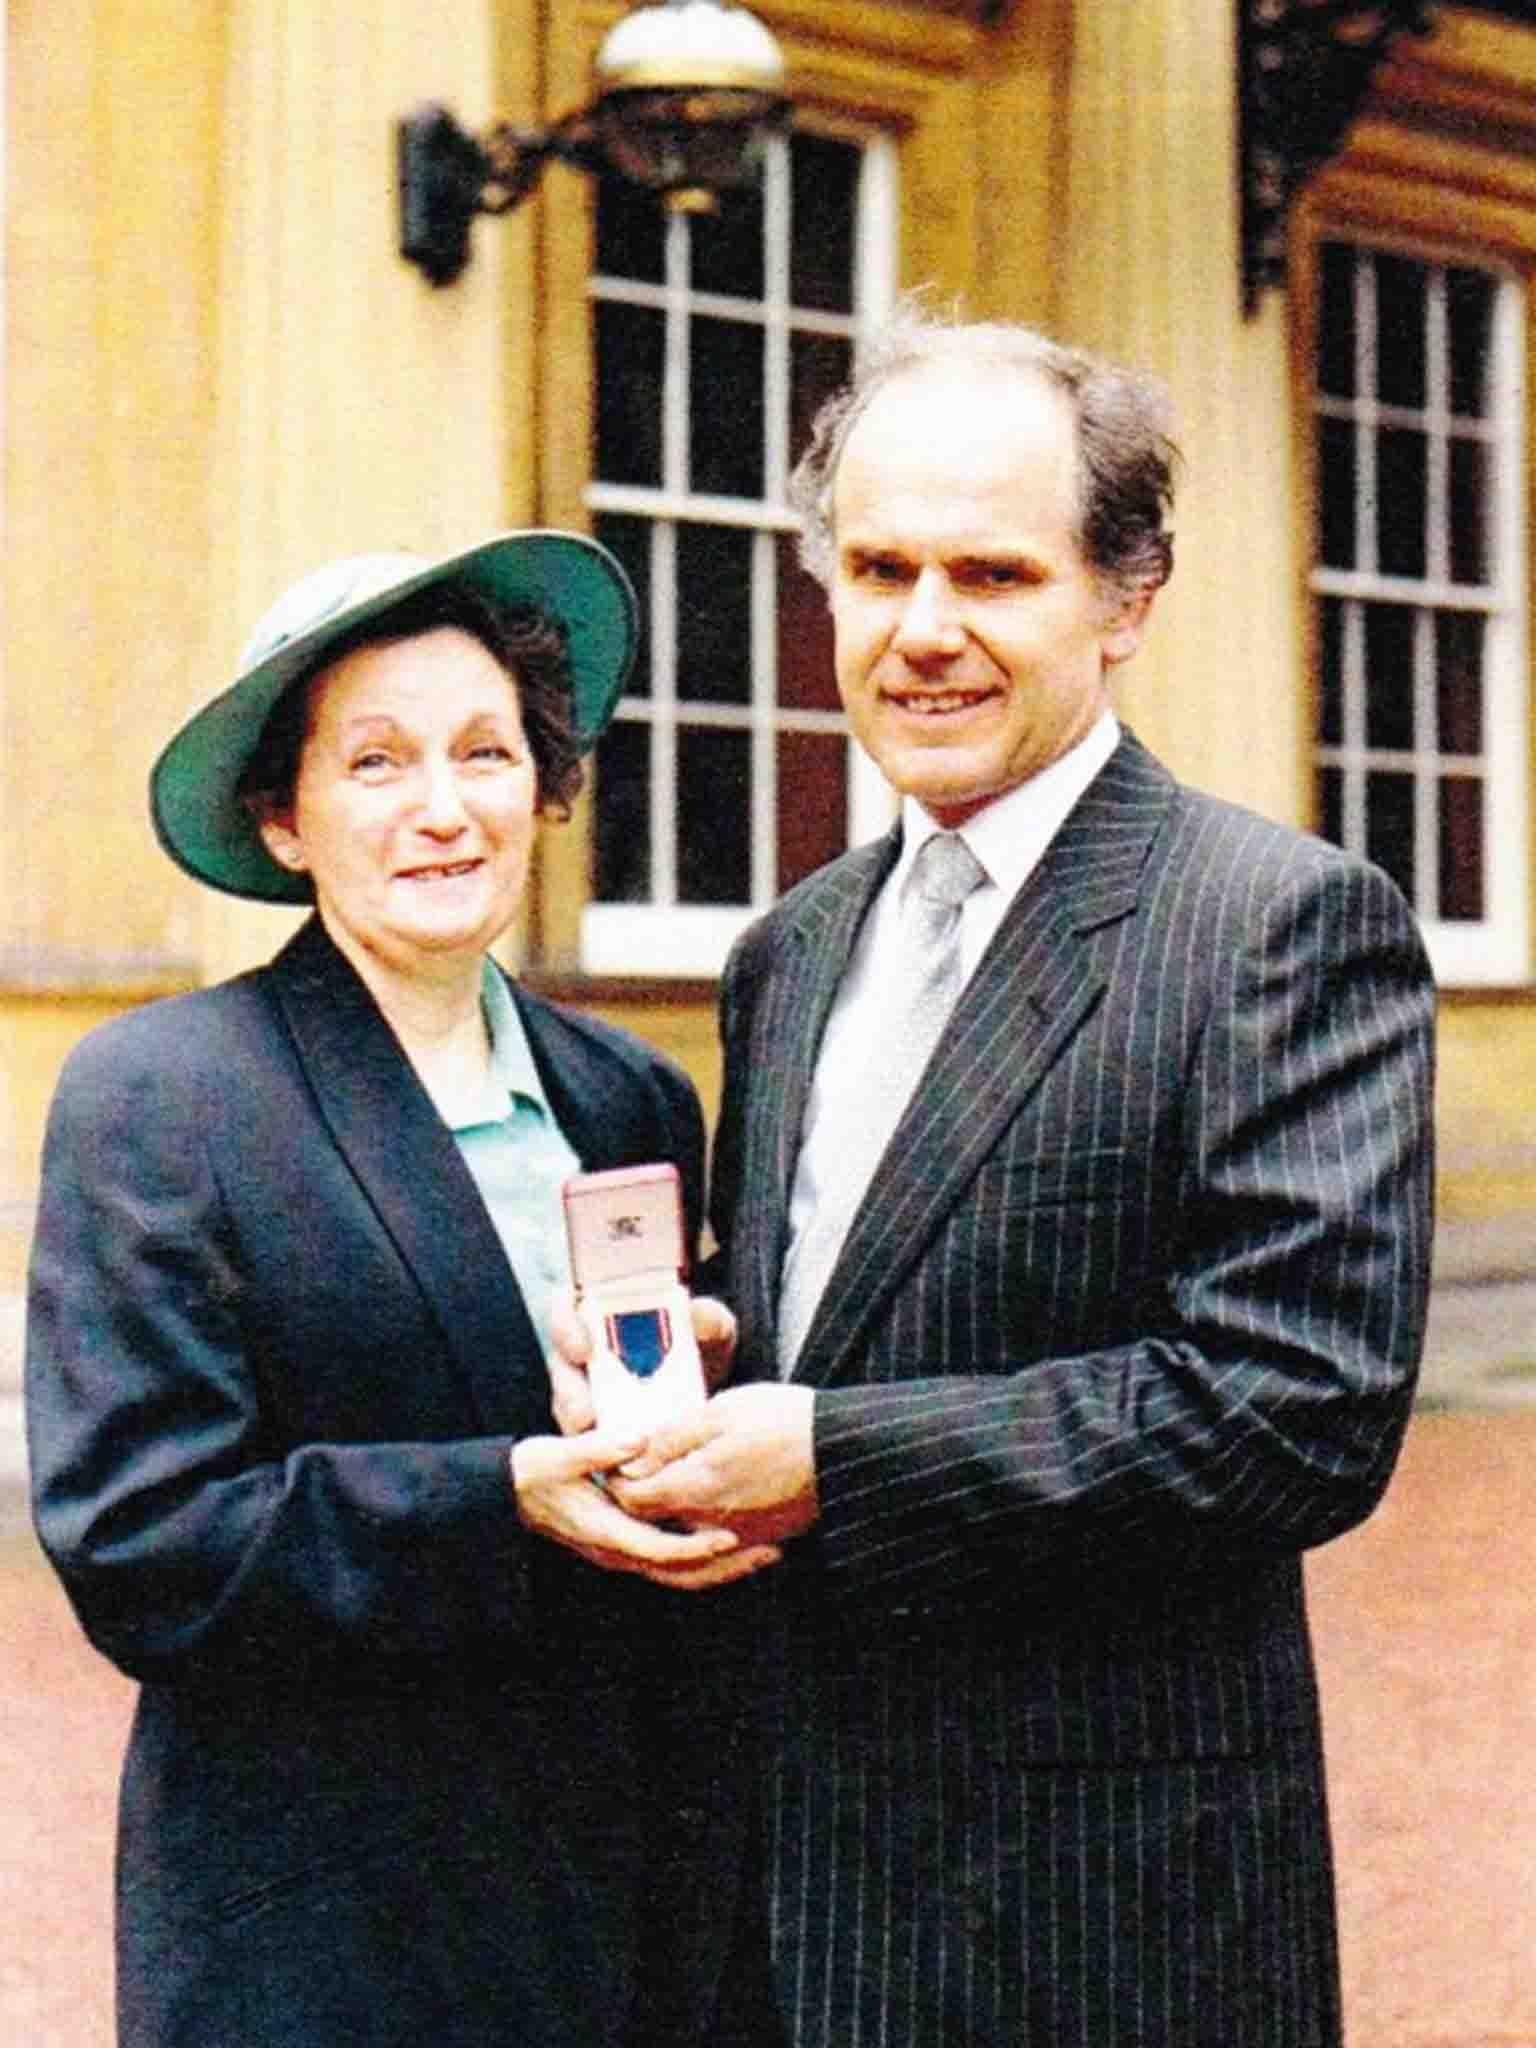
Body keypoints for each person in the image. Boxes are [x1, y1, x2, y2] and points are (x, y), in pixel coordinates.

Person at [553, 310, 1437, 2046]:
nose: (924, 632)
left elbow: (1295, 1408)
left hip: (1097, 1911)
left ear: (1125, 600)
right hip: (786, 1895)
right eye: (878, 570)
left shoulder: (1279, 926)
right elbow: (848, 1297)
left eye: (993, 574)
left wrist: (829, 1460)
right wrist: (687, 1369)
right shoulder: (791, 952)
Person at [25, 531, 774, 2048]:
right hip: (325, 1940)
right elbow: (140, 1541)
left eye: (486, 752)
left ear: (543, 790)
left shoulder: (627, 1096)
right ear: (283, 818)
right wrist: (501, 1496)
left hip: (620, 1920)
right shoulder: (163, 1097)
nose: (444, 809)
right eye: (375, 763)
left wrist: (690, 1431)